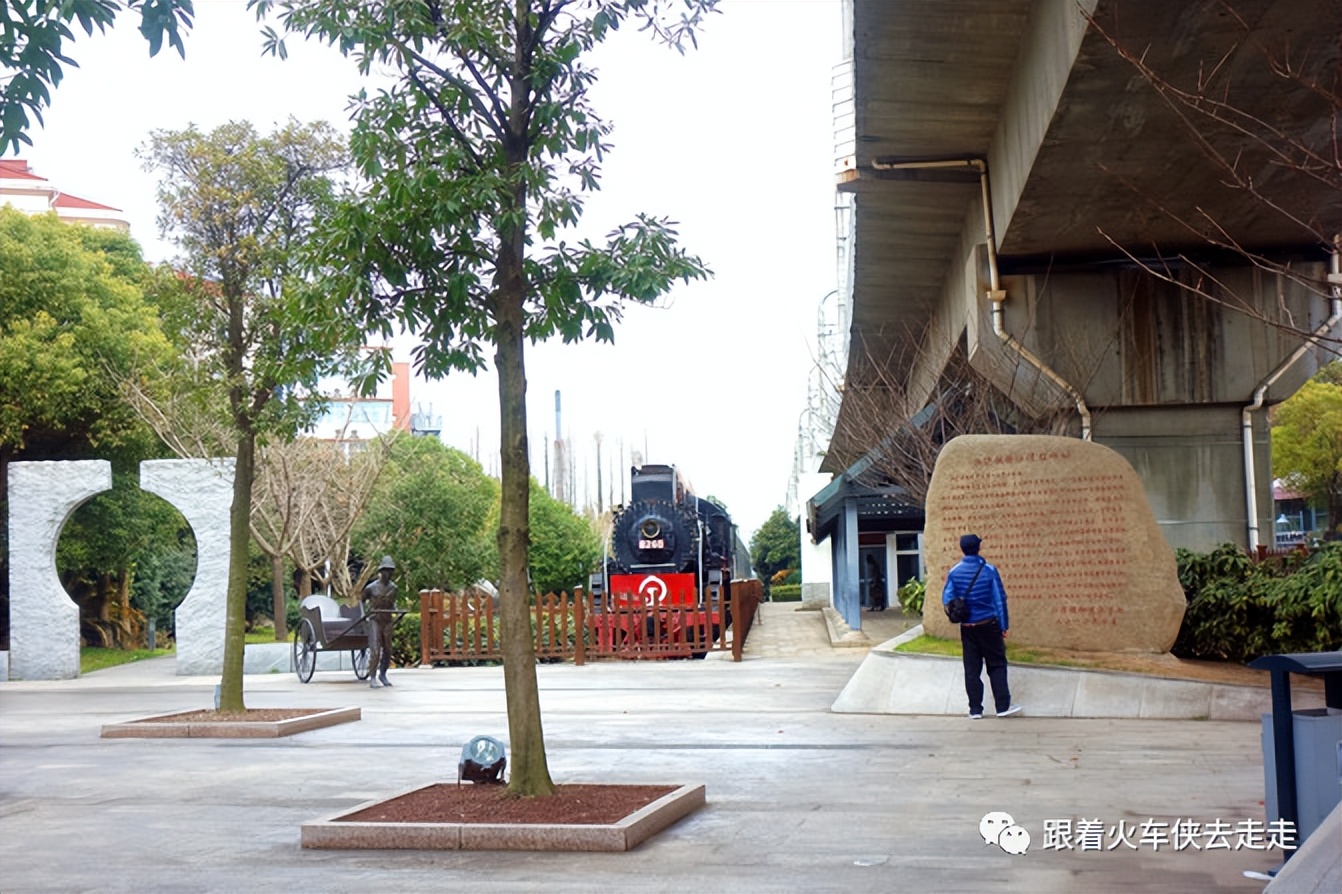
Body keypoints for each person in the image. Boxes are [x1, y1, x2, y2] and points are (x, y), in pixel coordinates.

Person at [942, 534, 1021, 720]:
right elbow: (999, 600)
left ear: (962, 548)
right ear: (979, 547)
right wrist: (1004, 625)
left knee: (971, 667)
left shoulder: (954, 572)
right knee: (997, 664)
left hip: (967, 627)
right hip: (989, 624)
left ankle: (975, 709)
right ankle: (1003, 706)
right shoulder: (989, 570)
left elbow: (947, 599)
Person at [362, 555, 399, 688]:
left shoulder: (393, 588)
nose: (388, 574)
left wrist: (397, 611)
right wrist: (364, 615)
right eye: (386, 570)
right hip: (375, 620)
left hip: (387, 620)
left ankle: (382, 674)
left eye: (390, 571)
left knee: (388, 649)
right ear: (381, 571)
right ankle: (372, 676)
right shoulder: (371, 588)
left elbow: (393, 604)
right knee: (375, 649)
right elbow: (362, 601)